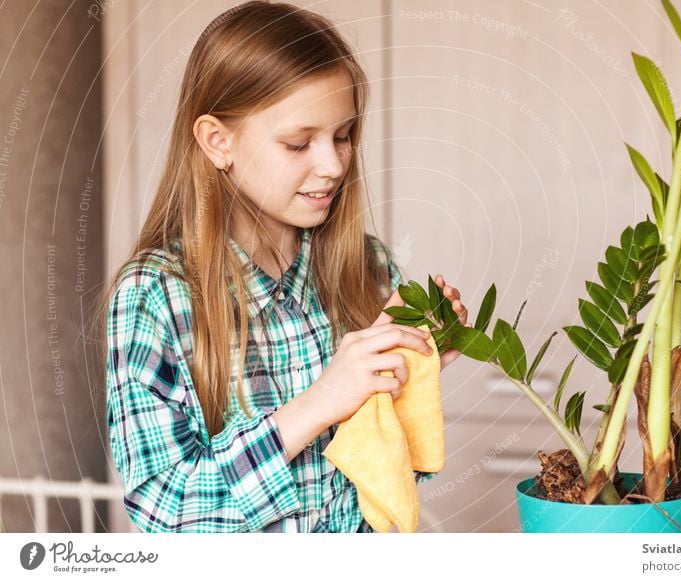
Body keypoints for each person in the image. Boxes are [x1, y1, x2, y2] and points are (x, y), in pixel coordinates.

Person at [103, 1, 470, 533]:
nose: (334, 164)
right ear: (217, 142)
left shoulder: (368, 267)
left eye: (343, 136)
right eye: (299, 142)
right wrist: (320, 402)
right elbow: (166, 513)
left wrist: (412, 370)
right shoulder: (155, 295)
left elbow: (389, 479)